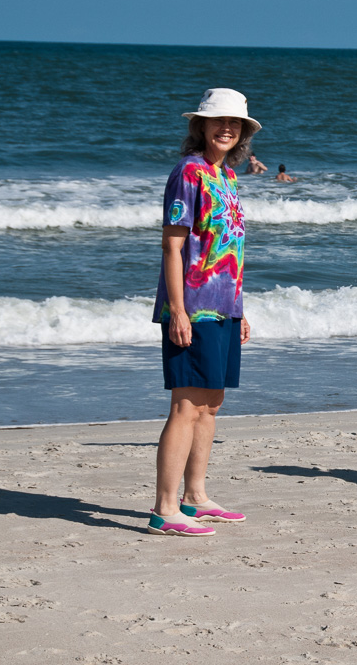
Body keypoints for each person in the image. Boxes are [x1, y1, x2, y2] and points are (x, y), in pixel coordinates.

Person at [149, 88, 260, 536]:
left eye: (235, 124)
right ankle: (164, 508)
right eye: (218, 121)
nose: (227, 128)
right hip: (193, 309)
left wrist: (240, 308)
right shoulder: (188, 174)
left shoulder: (227, 178)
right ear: (200, 126)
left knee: (212, 405)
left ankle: (194, 497)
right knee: (186, 405)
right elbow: (173, 247)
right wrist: (177, 309)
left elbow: (228, 250)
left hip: (225, 308)